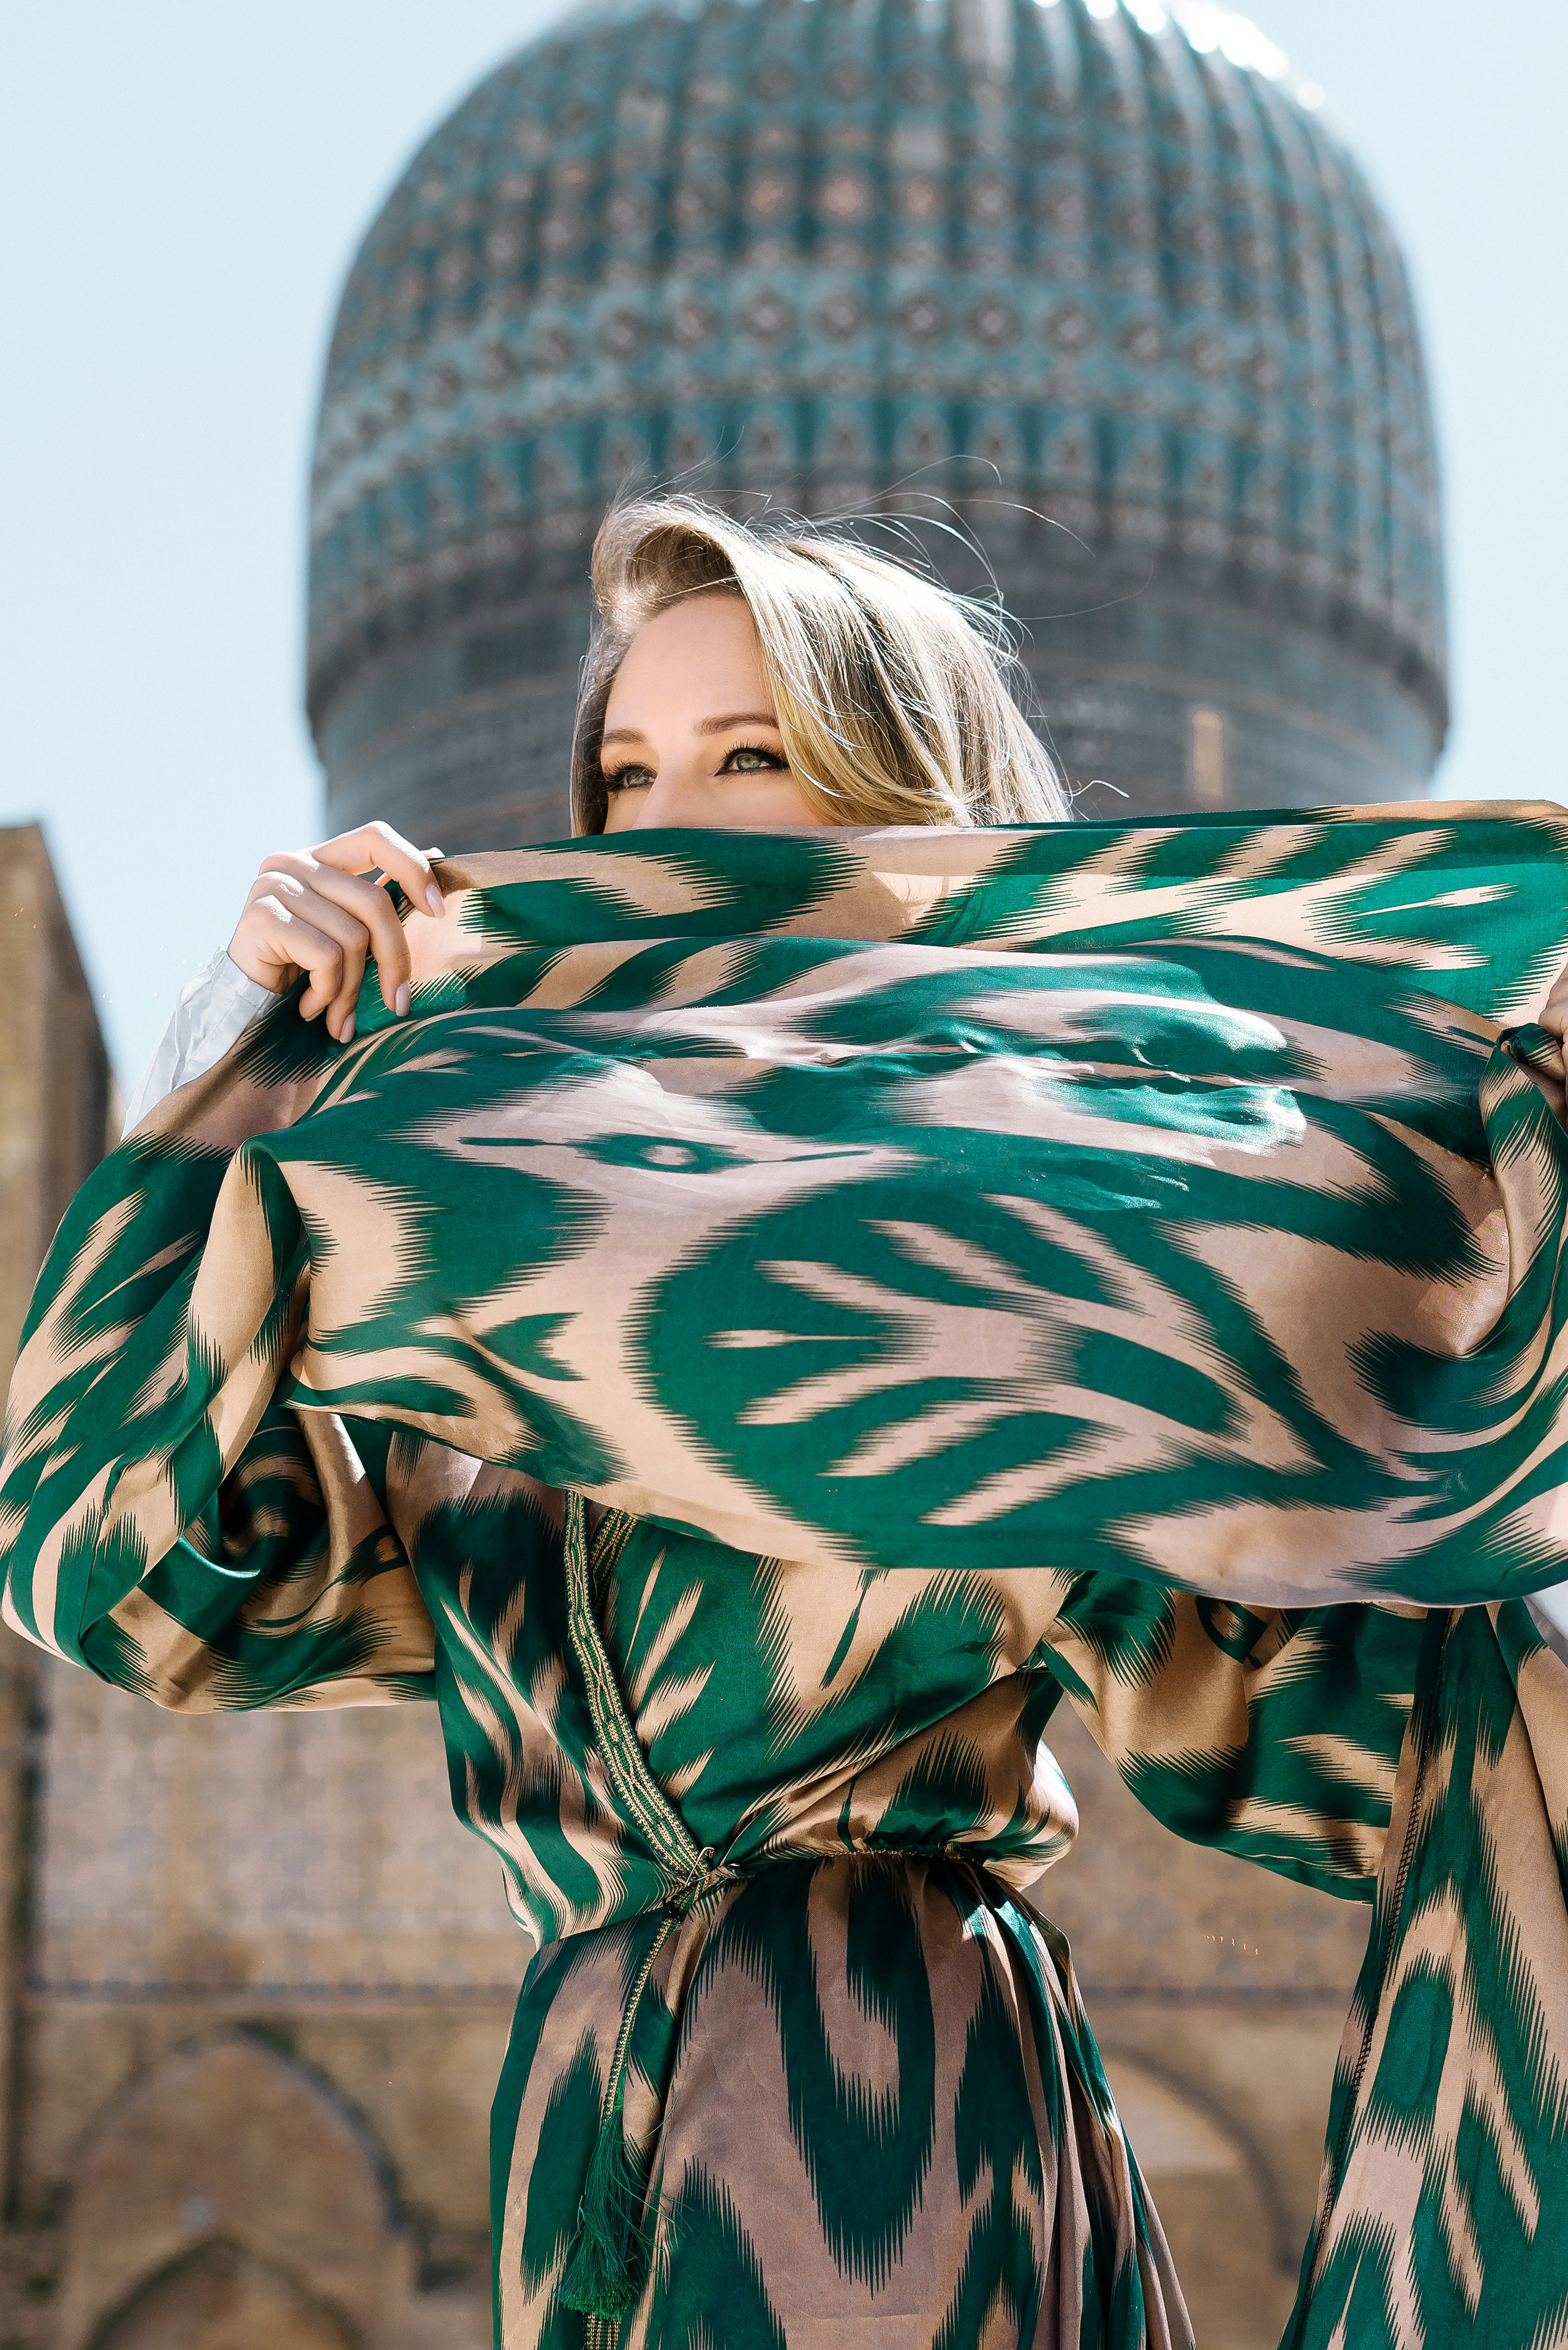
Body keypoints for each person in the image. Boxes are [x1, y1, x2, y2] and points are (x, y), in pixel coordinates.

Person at [7, 499, 1568, 2350]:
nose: (663, 825)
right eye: (626, 775)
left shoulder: (1013, 1291)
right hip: (594, 2155)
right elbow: (107, 1562)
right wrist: (256, 1059)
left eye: (748, 758)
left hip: (895, 2141)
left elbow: (1411, 1742)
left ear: (894, 819)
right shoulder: (482, 1333)